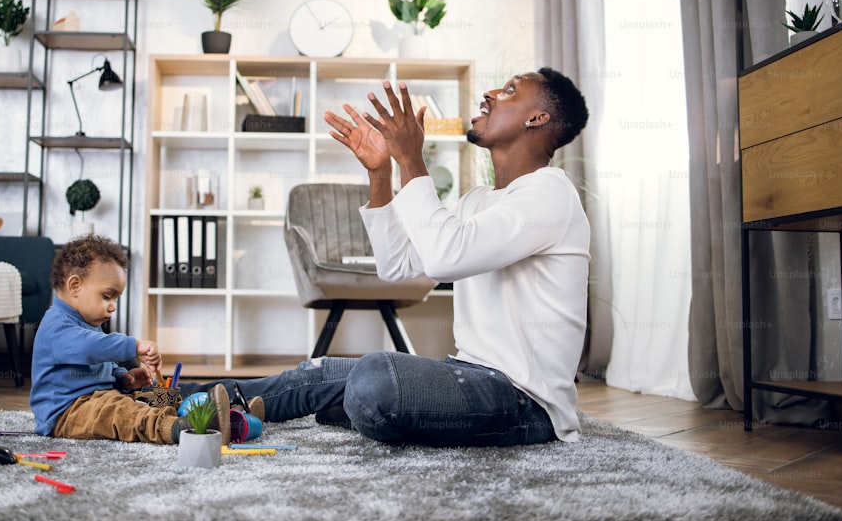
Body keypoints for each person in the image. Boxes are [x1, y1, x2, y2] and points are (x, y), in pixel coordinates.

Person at [178, 68, 591, 447]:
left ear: (536, 118)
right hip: (470, 375)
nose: (490, 93)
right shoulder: (478, 200)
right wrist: (381, 174)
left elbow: (446, 257)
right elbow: (398, 265)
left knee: (376, 377)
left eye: (510, 90)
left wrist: (411, 158)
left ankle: (360, 405)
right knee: (319, 371)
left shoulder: (551, 193)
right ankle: (176, 401)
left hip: (525, 402)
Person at [30, 234, 241, 444]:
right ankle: (181, 428)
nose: (112, 306)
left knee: (146, 399)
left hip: (100, 398)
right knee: (124, 414)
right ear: (75, 286)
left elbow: (103, 363)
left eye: (115, 299)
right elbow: (89, 348)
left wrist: (124, 377)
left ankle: (229, 417)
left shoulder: (88, 324)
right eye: (106, 296)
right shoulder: (56, 325)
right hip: (67, 412)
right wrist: (134, 346)